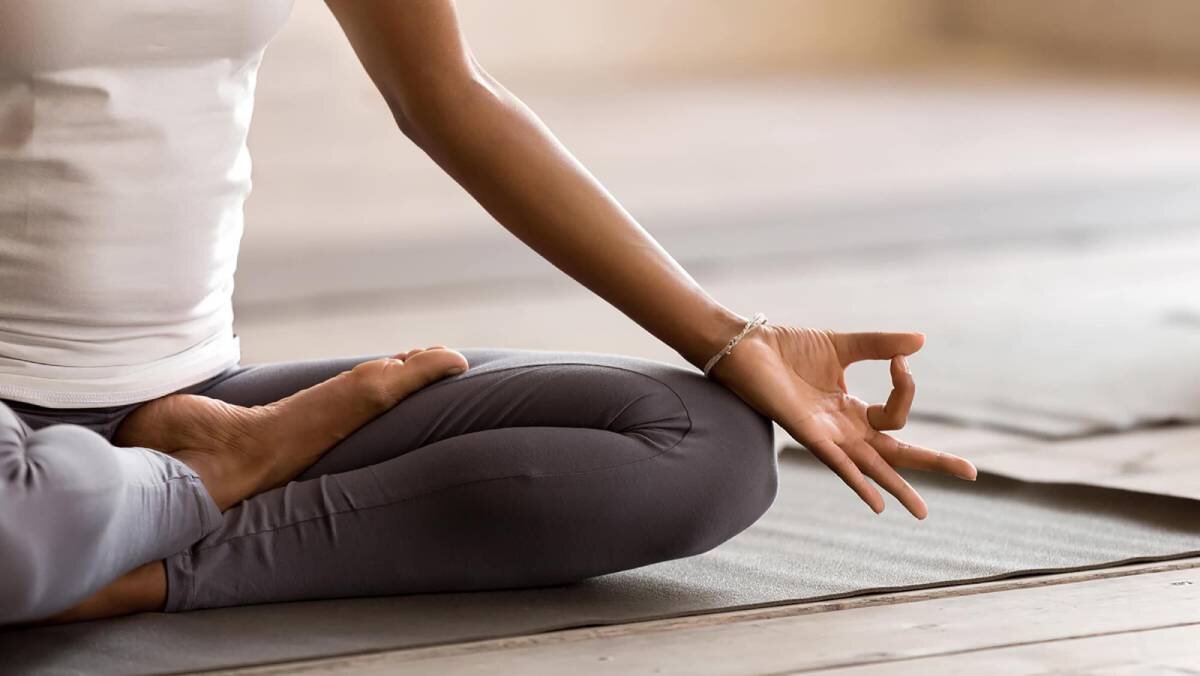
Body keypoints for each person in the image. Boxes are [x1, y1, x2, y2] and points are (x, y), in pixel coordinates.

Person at [0, 0, 977, 625]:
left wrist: (730, 337)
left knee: (706, 448)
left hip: (191, 400)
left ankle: (131, 538)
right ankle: (146, 510)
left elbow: (449, 96)